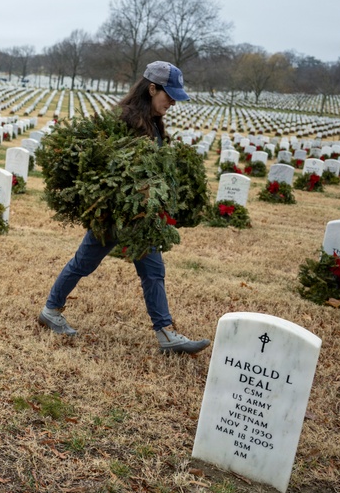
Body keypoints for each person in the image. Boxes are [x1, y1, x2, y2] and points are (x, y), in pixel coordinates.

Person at [37, 61, 210, 355]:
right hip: (114, 215)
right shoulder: (124, 120)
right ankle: (51, 310)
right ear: (152, 88)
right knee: (84, 263)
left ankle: (165, 332)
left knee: (153, 270)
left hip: (139, 216)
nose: (172, 102)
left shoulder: (154, 123)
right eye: (168, 95)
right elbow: (109, 169)